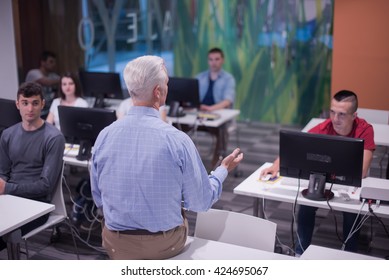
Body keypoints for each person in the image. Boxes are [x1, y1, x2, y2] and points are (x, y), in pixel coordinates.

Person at [90, 55, 243, 260]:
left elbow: (98, 197)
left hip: (115, 244)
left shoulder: (104, 135)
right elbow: (201, 201)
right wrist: (222, 171)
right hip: (163, 245)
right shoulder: (177, 140)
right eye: (167, 84)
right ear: (158, 92)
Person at [260, 90, 375, 255]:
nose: (335, 119)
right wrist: (276, 164)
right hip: (324, 179)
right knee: (306, 205)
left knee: (351, 212)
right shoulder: (324, 126)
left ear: (354, 115)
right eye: (332, 112)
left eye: (342, 114)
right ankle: (301, 251)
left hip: (349, 185)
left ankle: (351, 255)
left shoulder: (364, 129)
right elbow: (296, 147)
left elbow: (362, 171)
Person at [0, 82, 65, 251]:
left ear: (43, 104)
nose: (30, 109)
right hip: (9, 198)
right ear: (17, 104)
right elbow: (3, 172)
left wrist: (7, 188)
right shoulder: (7, 134)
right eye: (25, 103)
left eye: (35, 103)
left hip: (37, 206)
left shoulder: (53, 138)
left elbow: (45, 186)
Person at [25, 51, 60, 117]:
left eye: (54, 62)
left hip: (49, 111)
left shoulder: (53, 76)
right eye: (51, 62)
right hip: (35, 112)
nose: (54, 64)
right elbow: (46, 82)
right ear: (43, 62)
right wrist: (62, 80)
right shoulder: (33, 73)